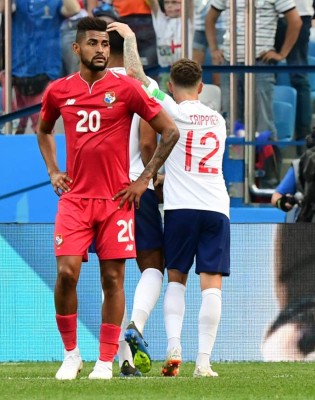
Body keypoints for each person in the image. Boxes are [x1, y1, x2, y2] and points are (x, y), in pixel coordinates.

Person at [36, 17, 179, 380]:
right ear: (77, 48)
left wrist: (144, 180)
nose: (100, 50)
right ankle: (71, 355)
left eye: (104, 44)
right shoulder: (58, 91)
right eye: (93, 44)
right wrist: (54, 171)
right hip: (75, 200)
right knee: (67, 273)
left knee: (112, 280)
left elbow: (170, 131)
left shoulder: (127, 88)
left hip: (116, 200)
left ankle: (104, 361)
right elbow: (43, 129)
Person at [115, 22, 230, 377]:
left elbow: (135, 75)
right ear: (200, 87)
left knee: (175, 277)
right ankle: (204, 362)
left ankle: (173, 348)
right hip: (216, 207)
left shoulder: (170, 109)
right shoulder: (219, 120)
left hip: (180, 209)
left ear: (169, 86)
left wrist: (131, 39)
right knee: (211, 285)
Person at [102, 21, 165, 378]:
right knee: (152, 266)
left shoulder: (90, 85)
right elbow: (146, 142)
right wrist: (149, 178)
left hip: (100, 191)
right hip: (134, 187)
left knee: (113, 277)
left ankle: (116, 358)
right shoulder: (144, 86)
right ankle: (134, 331)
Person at [205, 0, 302, 137]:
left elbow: (296, 22)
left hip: (260, 62)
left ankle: (265, 157)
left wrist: (282, 54)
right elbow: (210, 18)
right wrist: (213, 48)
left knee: (263, 121)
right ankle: (237, 158)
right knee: (232, 121)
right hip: (229, 62)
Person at [0, 0, 81, 134]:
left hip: (45, 71)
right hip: (15, 73)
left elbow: (74, 9)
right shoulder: (14, 3)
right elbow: (2, 8)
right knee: (11, 130)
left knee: (43, 131)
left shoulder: (55, 3)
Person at [275, 0, 314, 145]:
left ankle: (304, 141)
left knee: (299, 77)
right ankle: (269, 143)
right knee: (264, 79)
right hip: (266, 14)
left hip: (299, 13)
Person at [148, 0, 194, 90]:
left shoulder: (188, 21)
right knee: (164, 100)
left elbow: (190, 4)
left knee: (183, 100)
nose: (169, 6)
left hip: (185, 71)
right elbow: (153, 3)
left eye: (174, 2)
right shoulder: (160, 22)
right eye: (167, 2)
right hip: (165, 72)